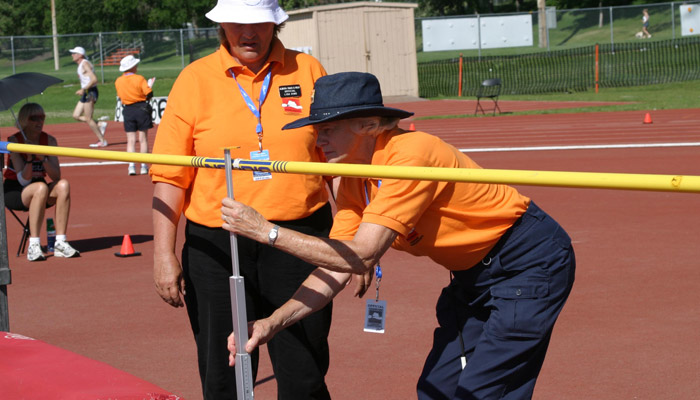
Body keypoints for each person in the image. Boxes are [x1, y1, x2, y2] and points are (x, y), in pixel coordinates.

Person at [222, 72, 576, 399]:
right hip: (474, 277)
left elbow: (361, 255)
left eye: (328, 128)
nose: (319, 138)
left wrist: (265, 231)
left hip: (526, 261)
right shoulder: (354, 179)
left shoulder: (410, 155)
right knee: (437, 389)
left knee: (483, 392)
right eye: (317, 129)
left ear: (370, 124)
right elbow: (339, 267)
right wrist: (272, 322)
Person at [149, 0, 335, 398]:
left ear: (275, 24)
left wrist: (353, 244)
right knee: (224, 370)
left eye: (259, 24)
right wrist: (163, 254)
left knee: (304, 368)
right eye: (237, 23)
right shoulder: (194, 79)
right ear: (222, 26)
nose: (248, 33)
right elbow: (170, 175)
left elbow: (336, 160)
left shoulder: (309, 70)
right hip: (218, 244)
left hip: (298, 239)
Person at [3, 103, 80, 261]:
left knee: (63, 185)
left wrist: (42, 157)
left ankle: (60, 242)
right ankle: (34, 244)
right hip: (16, 190)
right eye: (34, 118)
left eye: (42, 117)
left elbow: (56, 176)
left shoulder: (49, 140)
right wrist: (30, 158)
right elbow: (23, 180)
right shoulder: (14, 141)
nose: (39, 121)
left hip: (40, 188)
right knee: (40, 188)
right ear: (24, 120)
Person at [115, 55, 153, 176]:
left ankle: (131, 166)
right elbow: (149, 93)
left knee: (130, 140)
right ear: (132, 67)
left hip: (128, 109)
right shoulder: (139, 79)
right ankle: (143, 165)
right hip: (141, 108)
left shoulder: (118, 81)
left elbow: (120, 95)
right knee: (143, 139)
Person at [69, 46, 107, 148]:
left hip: (90, 92)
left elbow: (94, 79)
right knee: (76, 115)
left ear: (80, 55)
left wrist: (83, 89)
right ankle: (100, 124)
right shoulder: (81, 64)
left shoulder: (85, 64)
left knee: (88, 118)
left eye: (74, 53)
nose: (72, 55)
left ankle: (102, 140)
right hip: (86, 91)